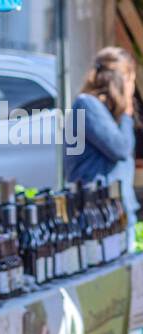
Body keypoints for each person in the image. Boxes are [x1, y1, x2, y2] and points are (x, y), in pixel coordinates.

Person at [65, 47, 137, 248]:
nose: (132, 88)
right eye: (131, 80)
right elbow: (121, 149)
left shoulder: (97, 108)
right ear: (121, 79)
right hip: (99, 215)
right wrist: (127, 113)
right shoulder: (87, 105)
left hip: (112, 212)